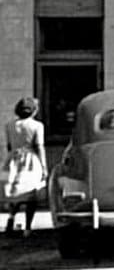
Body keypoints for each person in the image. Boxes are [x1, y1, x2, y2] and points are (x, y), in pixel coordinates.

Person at [4, 97, 47, 237]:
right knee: (30, 194)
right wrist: (44, 166)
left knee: (14, 191)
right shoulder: (37, 126)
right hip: (30, 161)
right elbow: (39, 146)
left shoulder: (10, 125)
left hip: (13, 159)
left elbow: (9, 146)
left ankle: (10, 219)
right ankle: (28, 228)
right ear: (34, 111)